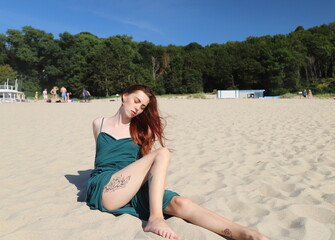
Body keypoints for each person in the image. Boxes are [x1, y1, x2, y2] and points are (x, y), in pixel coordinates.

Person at [86, 84, 269, 240]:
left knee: (179, 202)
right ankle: (156, 219)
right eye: (136, 101)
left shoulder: (142, 131)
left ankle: (245, 233)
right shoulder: (99, 124)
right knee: (163, 153)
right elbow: (102, 160)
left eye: (142, 106)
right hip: (106, 188)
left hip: (132, 186)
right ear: (125, 96)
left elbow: (143, 165)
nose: (138, 108)